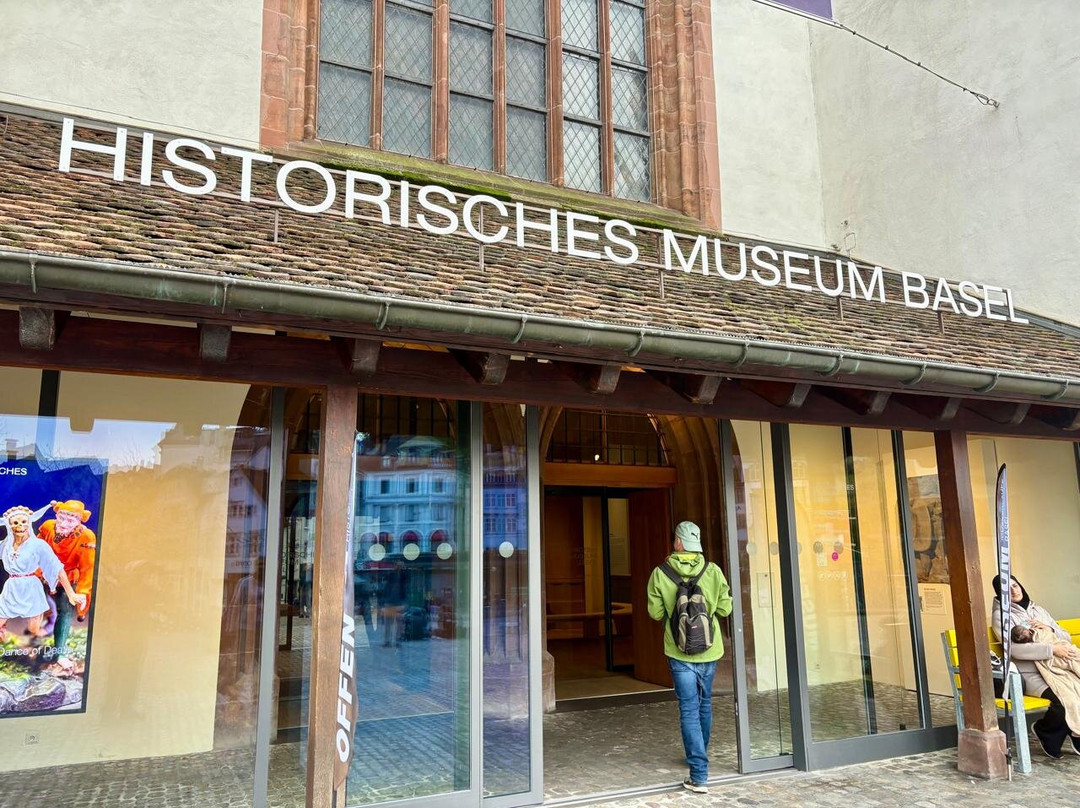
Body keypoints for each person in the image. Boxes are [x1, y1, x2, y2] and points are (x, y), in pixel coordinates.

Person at [647, 520, 732, 794]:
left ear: (678, 543)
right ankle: (699, 757)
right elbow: (726, 609)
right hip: (710, 649)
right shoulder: (713, 571)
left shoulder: (660, 573)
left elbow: (655, 613)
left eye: (675, 539)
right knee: (704, 704)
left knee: (688, 709)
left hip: (679, 650)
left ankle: (699, 774)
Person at [992, 574, 1080, 759]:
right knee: (1064, 699)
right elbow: (1014, 649)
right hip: (1030, 673)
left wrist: (1050, 630)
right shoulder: (1001, 616)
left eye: (1015, 585)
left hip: (1058, 667)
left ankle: (1074, 734)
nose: (1014, 590)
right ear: (1000, 594)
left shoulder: (1038, 609)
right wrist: (1051, 649)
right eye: (1007, 589)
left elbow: (1066, 636)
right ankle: (1045, 732)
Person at [0, 505, 86, 641]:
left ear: (28, 523)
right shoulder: (5, 546)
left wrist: (71, 593)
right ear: (10, 525)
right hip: (11, 588)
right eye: (15, 522)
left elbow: (57, 567)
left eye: (23, 521)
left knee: (33, 629)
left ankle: (41, 634)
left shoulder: (38, 545)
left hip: (31, 589)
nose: (20, 526)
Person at [36, 500, 97, 671]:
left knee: (66, 610)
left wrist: (83, 591)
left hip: (69, 578)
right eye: (61, 518)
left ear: (79, 521)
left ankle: (60, 654)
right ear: (56, 515)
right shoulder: (48, 526)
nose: (63, 524)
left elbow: (87, 567)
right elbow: (36, 550)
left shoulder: (87, 537)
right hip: (43, 573)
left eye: (70, 520)